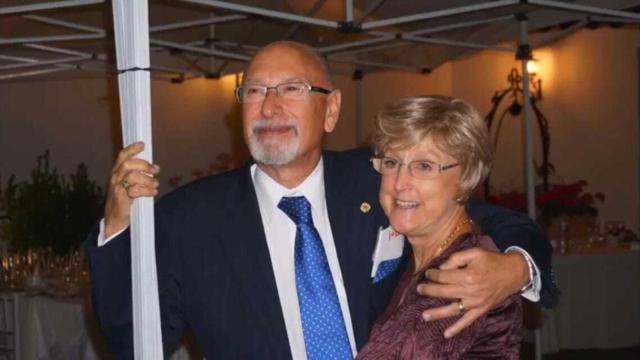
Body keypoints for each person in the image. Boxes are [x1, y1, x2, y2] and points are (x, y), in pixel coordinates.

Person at [87, 41, 558, 359]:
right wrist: (118, 228)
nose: (270, 106)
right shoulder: (188, 219)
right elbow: (136, 343)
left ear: (331, 109)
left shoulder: (382, 180)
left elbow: (502, 222)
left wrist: (515, 268)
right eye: (255, 91)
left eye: (292, 89)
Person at [357, 95, 522, 359]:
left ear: (467, 176)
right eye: (391, 163)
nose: (399, 183)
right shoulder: (412, 258)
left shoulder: (465, 277)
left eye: (423, 166)